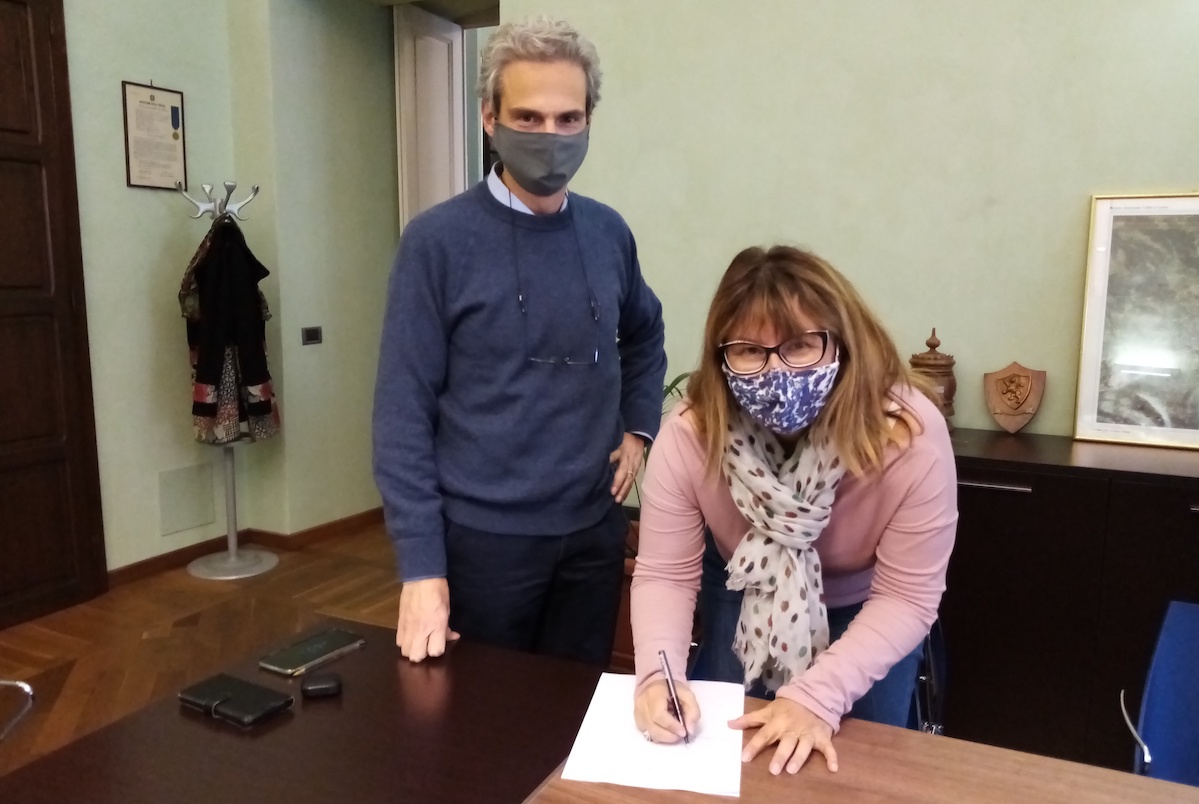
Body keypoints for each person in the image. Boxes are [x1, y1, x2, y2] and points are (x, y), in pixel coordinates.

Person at [373, 17, 667, 668]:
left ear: (588, 121)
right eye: (528, 117)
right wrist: (421, 568)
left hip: (592, 533)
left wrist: (638, 428)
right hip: (483, 544)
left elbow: (645, 333)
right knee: (481, 717)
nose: (549, 136)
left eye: (568, 119)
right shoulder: (436, 243)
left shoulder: (608, 234)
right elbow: (401, 412)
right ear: (489, 118)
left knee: (573, 707)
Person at [630, 245, 957, 776]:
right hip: (742, 589)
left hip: (870, 606)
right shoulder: (691, 433)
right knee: (726, 756)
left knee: (860, 769)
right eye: (748, 350)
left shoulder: (909, 435)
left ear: (843, 342)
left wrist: (816, 698)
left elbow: (908, 596)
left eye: (801, 345)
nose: (775, 371)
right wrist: (655, 679)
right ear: (720, 356)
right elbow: (665, 574)